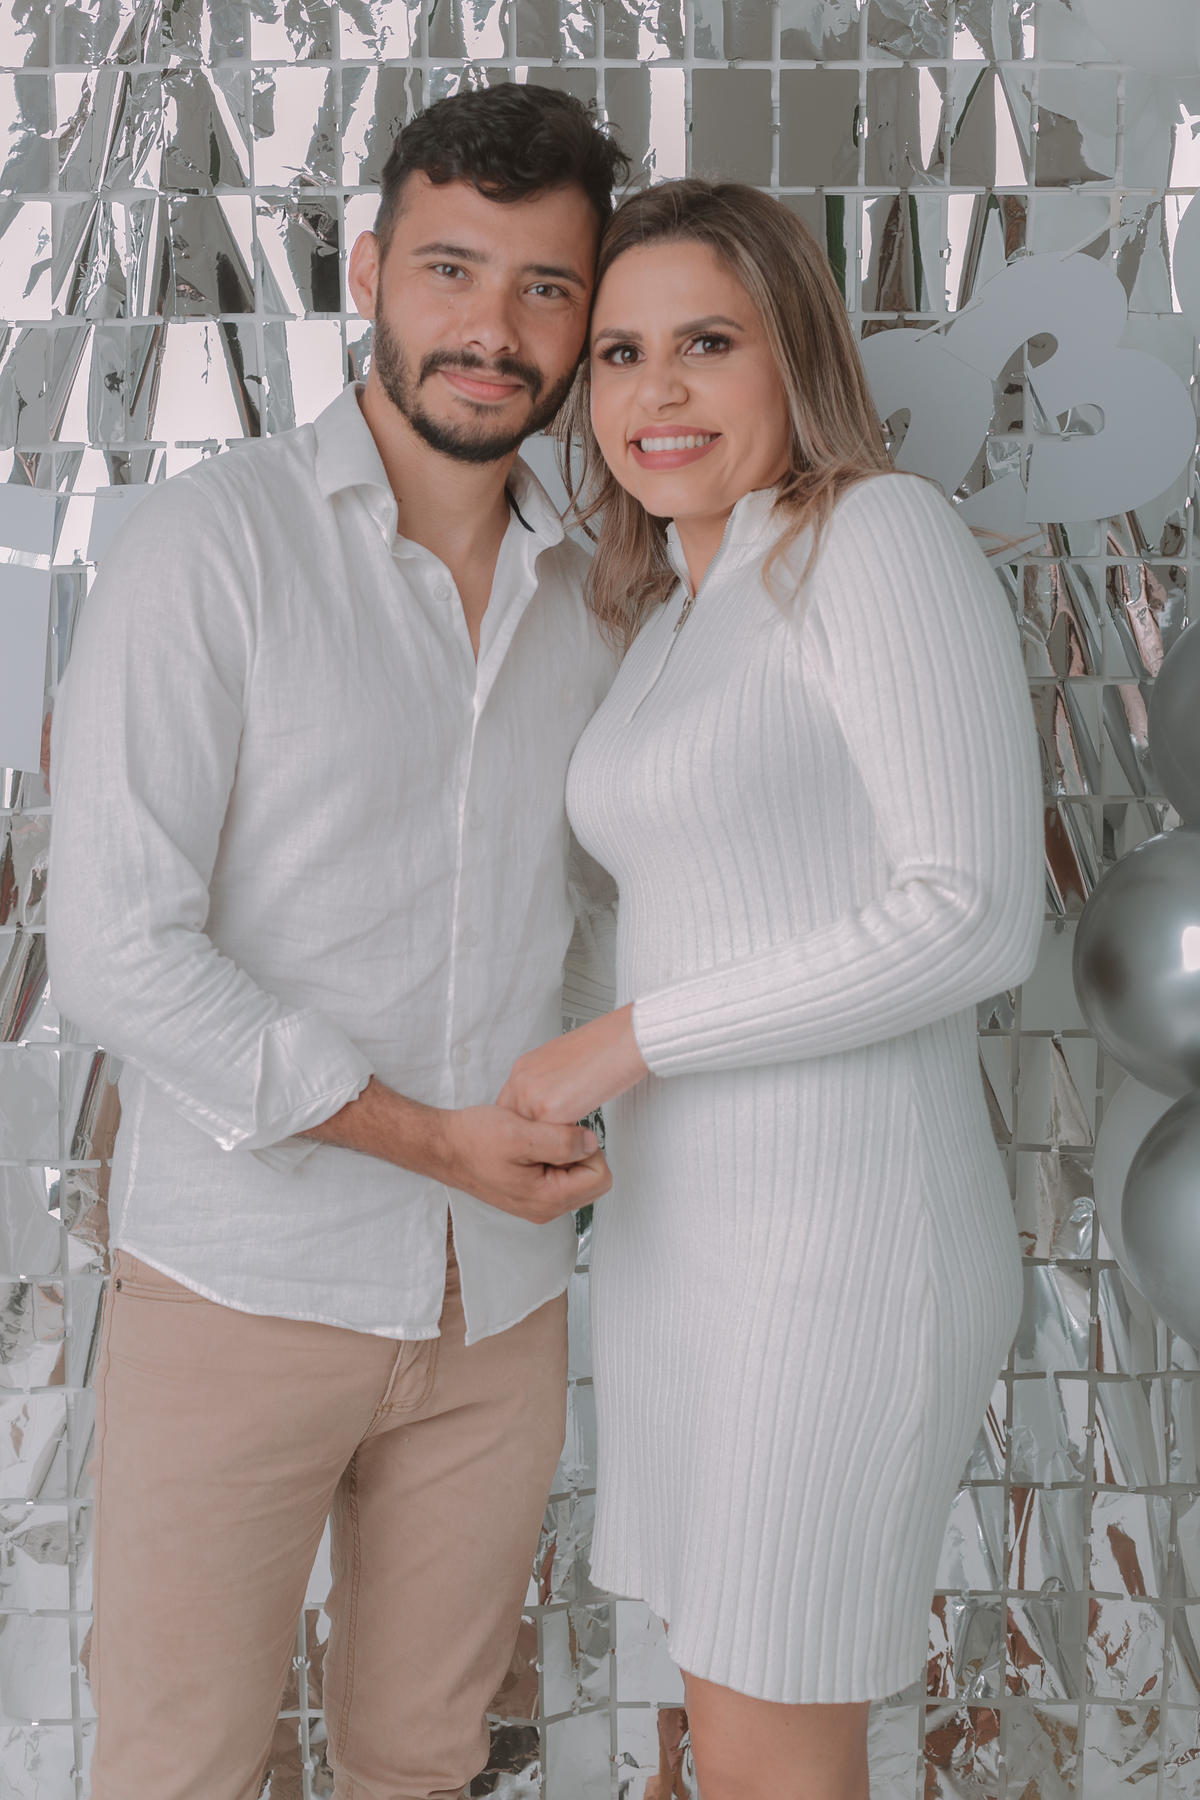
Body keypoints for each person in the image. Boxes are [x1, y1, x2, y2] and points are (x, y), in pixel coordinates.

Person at [46, 84, 627, 1800]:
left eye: (544, 287)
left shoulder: (599, 592)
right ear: (368, 271)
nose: (494, 329)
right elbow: (116, 952)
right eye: (452, 270)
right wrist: (433, 1140)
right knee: (181, 1766)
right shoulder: (210, 549)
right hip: (241, 1288)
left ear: (586, 316)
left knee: (425, 1762)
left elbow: (595, 920)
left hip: (500, 1305)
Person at [498, 179, 1043, 1800]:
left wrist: (623, 1044)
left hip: (839, 1257)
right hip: (681, 1254)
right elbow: (697, 902)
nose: (655, 393)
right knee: (717, 1734)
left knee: (770, 1753)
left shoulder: (873, 536)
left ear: (795, 353)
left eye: (707, 345)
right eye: (618, 353)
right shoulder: (674, 606)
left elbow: (972, 919)